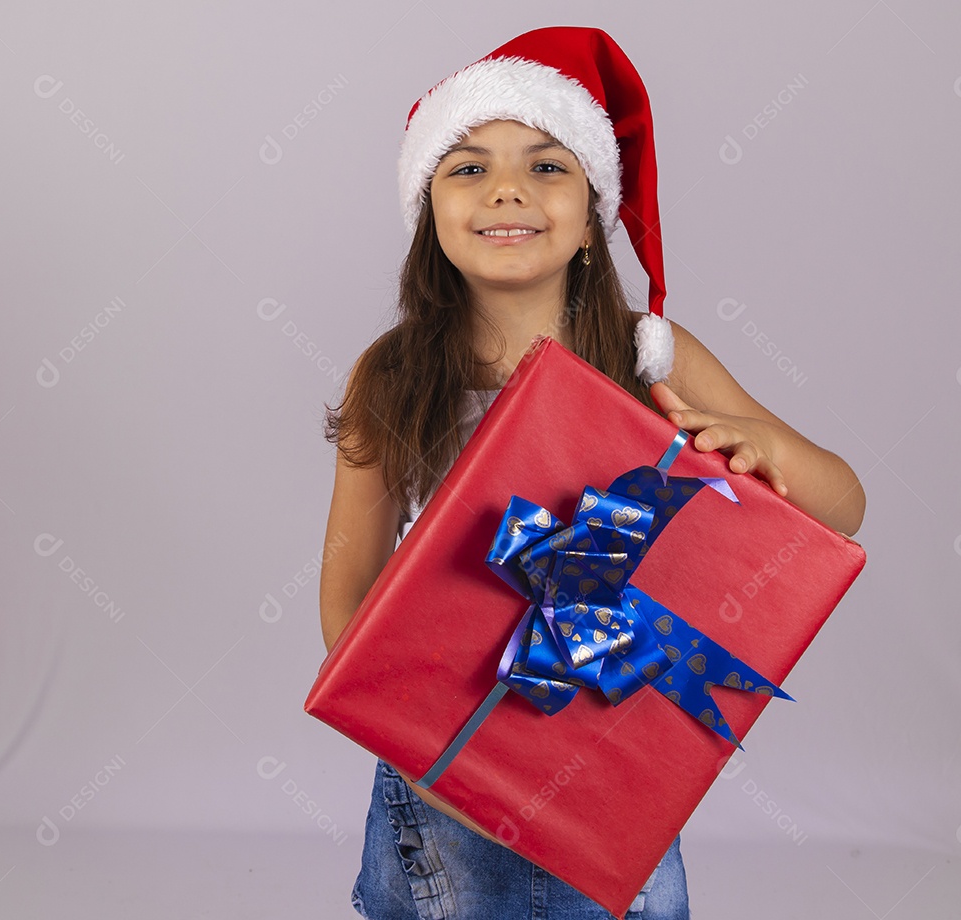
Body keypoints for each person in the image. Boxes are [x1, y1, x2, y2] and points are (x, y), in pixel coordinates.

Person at [318, 26, 865, 920]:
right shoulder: (392, 374)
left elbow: (845, 504)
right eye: (466, 168)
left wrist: (762, 449)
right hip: (448, 744)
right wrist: (416, 733)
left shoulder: (650, 352)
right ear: (430, 214)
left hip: (605, 734)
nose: (506, 190)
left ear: (590, 217)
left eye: (546, 166)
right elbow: (349, 592)